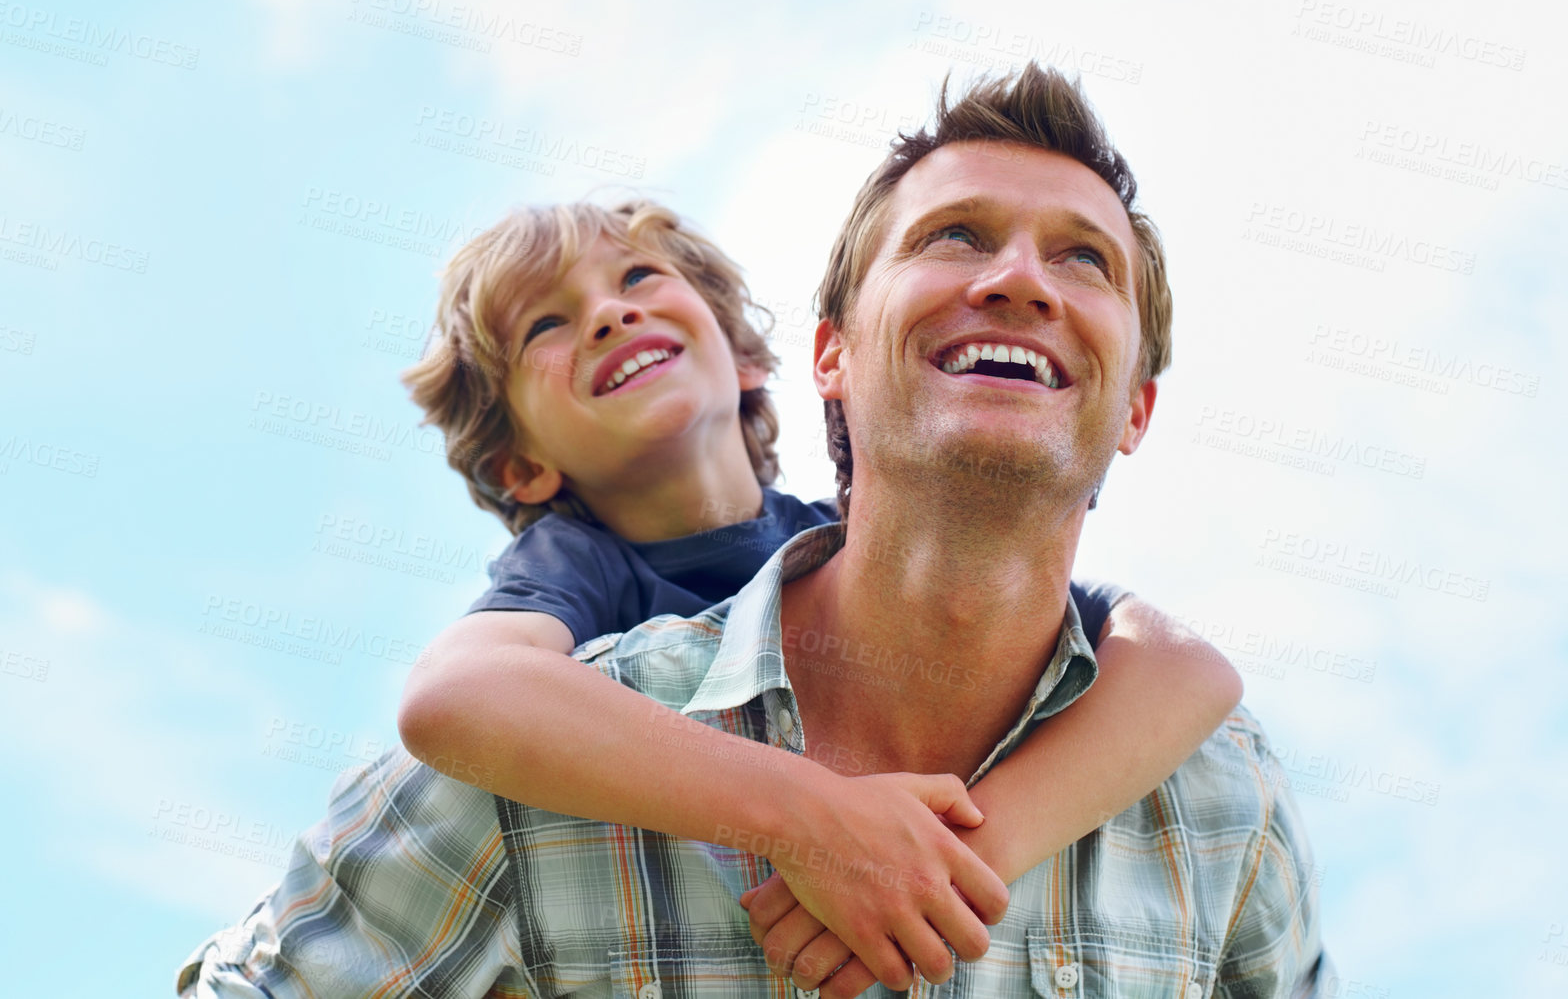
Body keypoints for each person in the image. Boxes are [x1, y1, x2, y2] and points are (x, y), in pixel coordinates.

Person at [180, 63, 1328, 998]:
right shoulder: (549, 709)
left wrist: (955, 863)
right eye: (955, 237)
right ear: (834, 353)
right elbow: (456, 699)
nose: (1021, 279)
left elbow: (1183, 669)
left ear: (1137, 407)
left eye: (1083, 257)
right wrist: (812, 817)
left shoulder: (1213, 799)